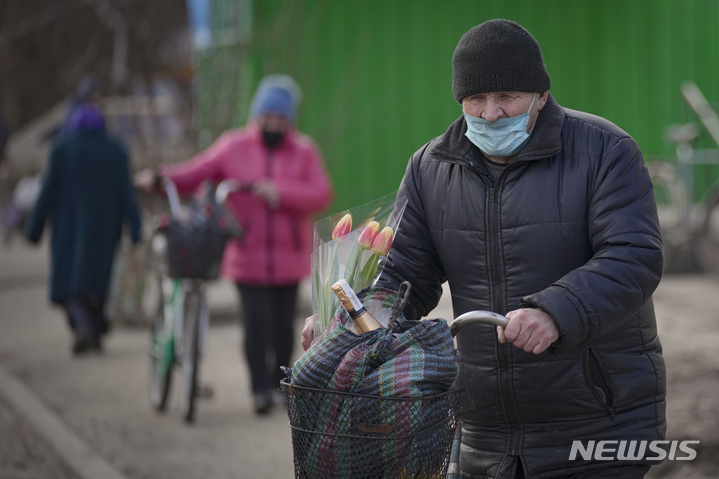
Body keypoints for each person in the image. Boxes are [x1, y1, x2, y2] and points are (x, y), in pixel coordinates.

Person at [302, 19, 665, 478]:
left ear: (541, 96)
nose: (491, 114)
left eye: (507, 98)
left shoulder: (605, 151)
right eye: (476, 99)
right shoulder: (430, 168)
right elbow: (403, 274)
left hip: (597, 419)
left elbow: (633, 256)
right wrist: (351, 319)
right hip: (481, 426)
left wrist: (555, 312)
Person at [135, 74, 333, 415]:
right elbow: (196, 172)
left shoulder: (304, 150)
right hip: (246, 256)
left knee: (284, 326)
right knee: (255, 322)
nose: (272, 123)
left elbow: (321, 193)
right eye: (266, 117)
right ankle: (259, 389)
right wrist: (159, 176)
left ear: (289, 121)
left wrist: (279, 191)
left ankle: (277, 385)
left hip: (288, 258)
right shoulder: (233, 146)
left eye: (279, 119)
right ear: (256, 116)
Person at [25, 104, 142, 354]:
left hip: (68, 228)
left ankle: (83, 328)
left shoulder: (62, 149)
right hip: (106, 228)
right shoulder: (116, 151)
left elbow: (45, 193)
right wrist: (136, 228)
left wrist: (33, 229)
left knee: (71, 283)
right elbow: (127, 194)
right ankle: (94, 331)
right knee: (100, 281)